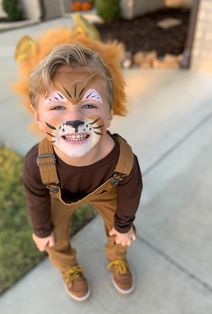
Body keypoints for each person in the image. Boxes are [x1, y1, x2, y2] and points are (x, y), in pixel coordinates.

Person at [23, 43, 143, 302]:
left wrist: (123, 226)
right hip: (58, 196)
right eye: (57, 107)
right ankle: (68, 267)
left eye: (89, 104)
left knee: (120, 230)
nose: (74, 119)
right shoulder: (36, 163)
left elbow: (130, 195)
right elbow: (35, 198)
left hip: (107, 189)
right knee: (54, 235)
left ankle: (117, 258)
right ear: (38, 116)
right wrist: (41, 229)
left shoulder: (123, 161)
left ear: (110, 113)